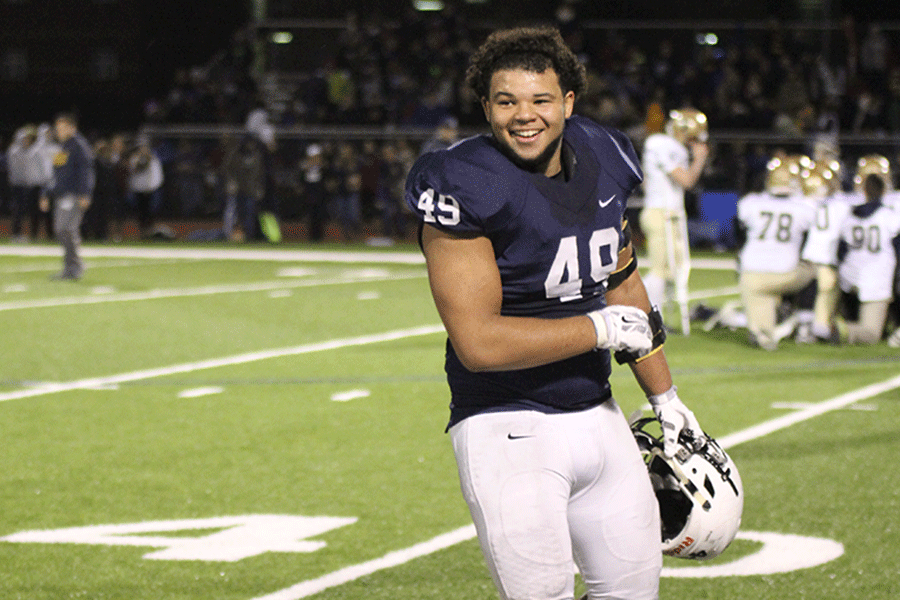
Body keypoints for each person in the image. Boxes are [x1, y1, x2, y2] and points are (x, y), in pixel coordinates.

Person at [405, 27, 703, 600]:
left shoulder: (605, 154)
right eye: (505, 101)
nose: (524, 116)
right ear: (486, 107)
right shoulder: (464, 181)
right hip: (506, 421)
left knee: (633, 592)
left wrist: (665, 398)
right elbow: (479, 343)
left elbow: (622, 279)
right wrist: (596, 328)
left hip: (598, 411)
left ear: (567, 103)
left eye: (540, 100)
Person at [639, 107, 710, 334]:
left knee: (672, 269)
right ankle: (648, 319)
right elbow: (686, 180)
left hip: (666, 212)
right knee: (660, 269)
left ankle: (655, 317)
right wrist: (699, 159)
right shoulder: (662, 144)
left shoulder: (662, 145)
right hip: (662, 213)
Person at [735, 156, 816, 350]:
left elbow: (739, 236)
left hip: (751, 274)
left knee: (765, 339)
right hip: (785, 273)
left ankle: (765, 327)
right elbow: (808, 245)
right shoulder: (805, 207)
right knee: (813, 270)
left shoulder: (751, 203)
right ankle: (803, 321)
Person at [836, 173, 900, 344]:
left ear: (863, 191)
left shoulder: (850, 216)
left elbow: (841, 252)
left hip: (849, 278)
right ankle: (843, 330)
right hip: (876, 280)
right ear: (883, 191)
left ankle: (832, 323)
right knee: (871, 335)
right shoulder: (889, 216)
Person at [40, 112, 94, 280]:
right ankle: (71, 267)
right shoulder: (64, 147)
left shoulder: (79, 146)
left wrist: (85, 193)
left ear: (72, 128)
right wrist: (46, 193)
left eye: (63, 128)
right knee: (63, 230)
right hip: (62, 195)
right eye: (58, 128)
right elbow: (56, 174)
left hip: (73, 195)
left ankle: (74, 267)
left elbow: (86, 171)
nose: (59, 131)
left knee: (65, 229)